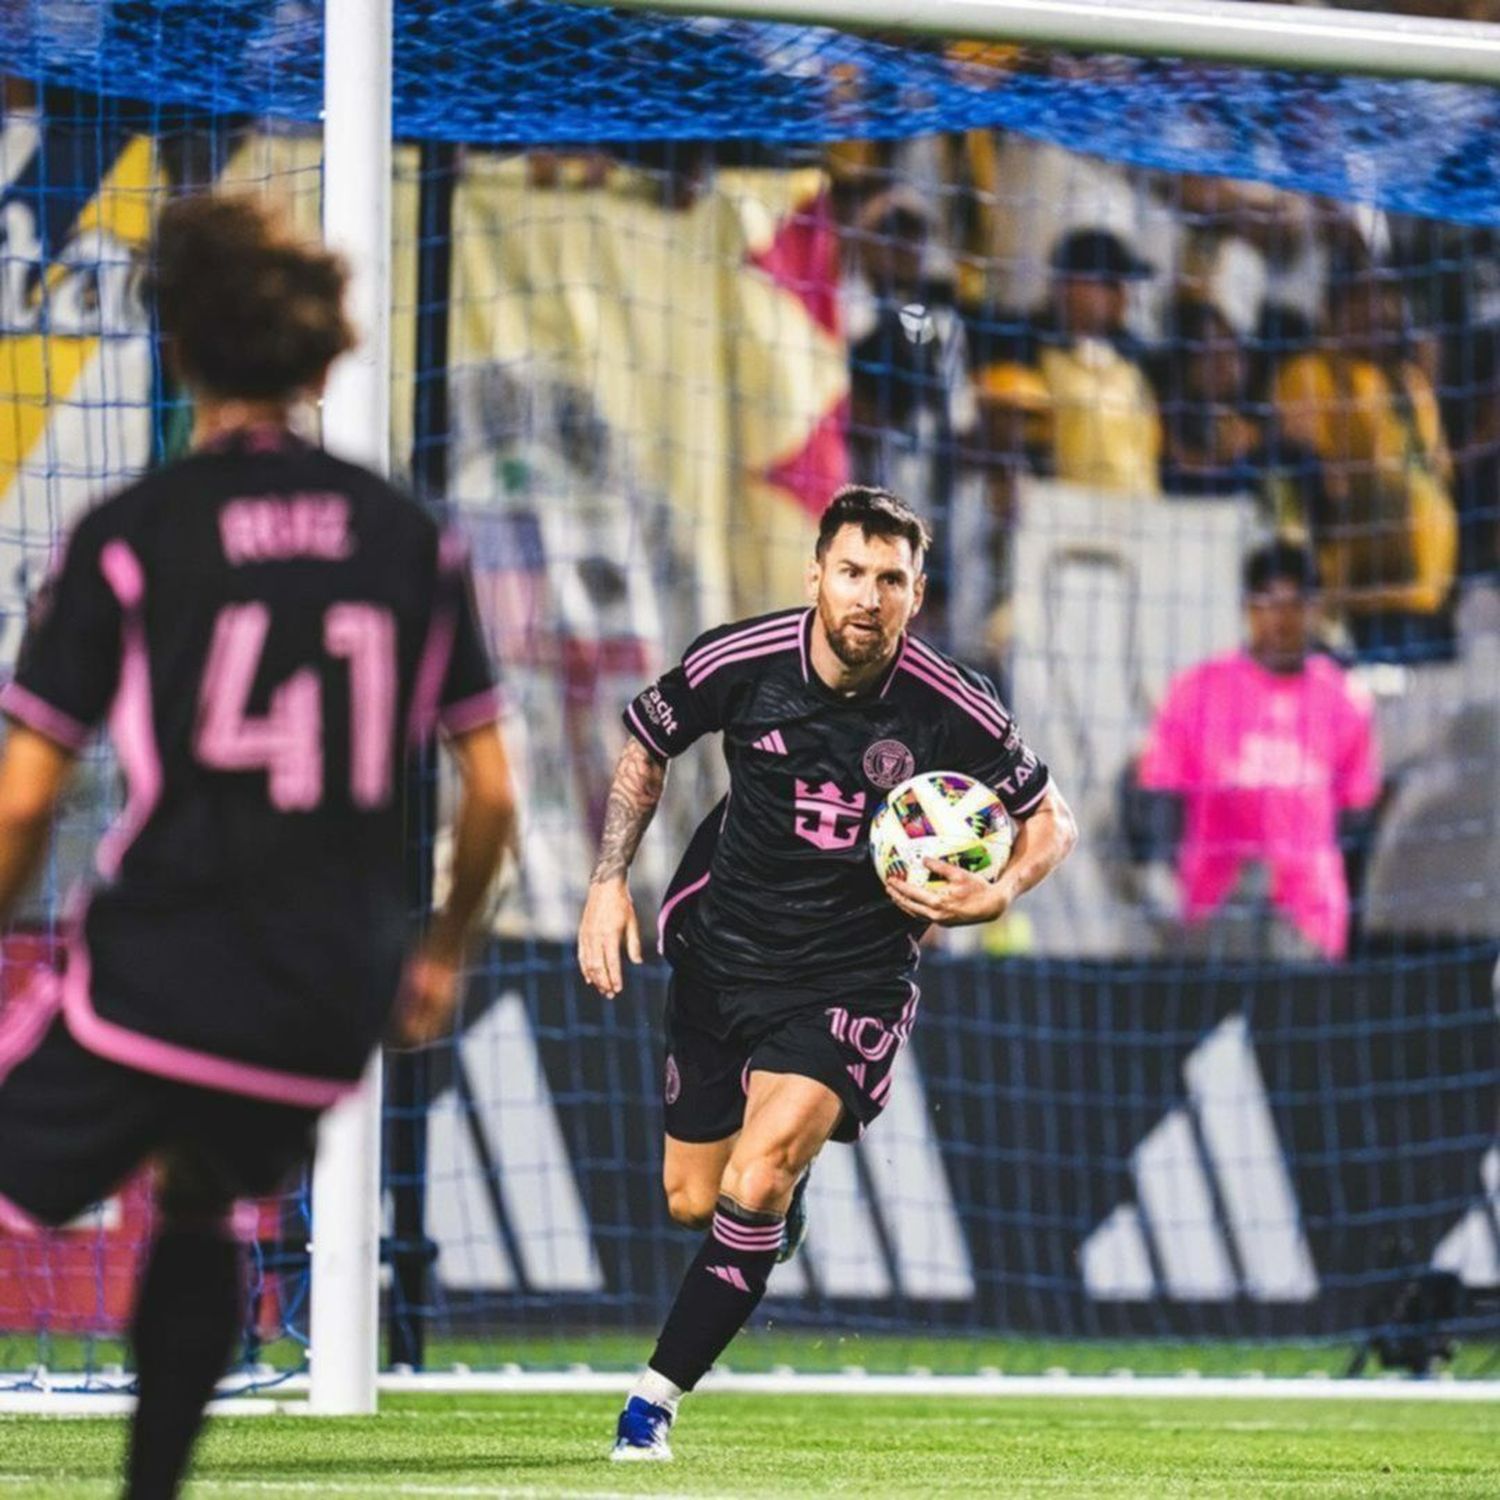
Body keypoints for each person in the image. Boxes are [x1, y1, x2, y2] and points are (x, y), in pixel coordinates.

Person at [0, 194, 516, 1498]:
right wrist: (441, 952)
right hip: (327, 996)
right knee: (199, 1193)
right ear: (320, 356)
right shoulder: (416, 540)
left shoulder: (134, 535)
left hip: (169, 960)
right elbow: (495, 793)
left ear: (179, 348)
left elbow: (23, 802)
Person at [577, 484, 1076, 1459]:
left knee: (756, 1177)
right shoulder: (744, 662)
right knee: (695, 1198)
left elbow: (1051, 816)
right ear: (817, 575)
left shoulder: (948, 702)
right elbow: (649, 738)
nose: (868, 596)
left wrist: (1003, 888)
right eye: (852, 572)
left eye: (891, 580)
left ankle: (652, 1404)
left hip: (852, 977)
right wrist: (607, 881)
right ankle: (777, 1209)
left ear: (915, 594)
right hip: (722, 958)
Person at [1130, 541, 1380, 961]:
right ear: (1248, 607)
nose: (1282, 619)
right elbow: (1160, 791)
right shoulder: (1199, 690)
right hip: (1212, 909)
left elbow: (1356, 814)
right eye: (1268, 603)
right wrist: (1159, 873)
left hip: (1308, 920)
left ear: (1315, 609)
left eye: (1295, 604)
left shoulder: (1345, 699)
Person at [1272, 273, 1459, 662]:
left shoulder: (1409, 380)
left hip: (1429, 595)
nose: (1382, 315)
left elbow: (1436, 473)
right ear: (1332, 314)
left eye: (1389, 306)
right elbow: (1319, 481)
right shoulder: (1309, 374)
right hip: (1362, 602)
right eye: (1367, 305)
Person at [976, 227, 1161, 497]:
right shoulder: (1024, 348)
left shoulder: (1135, 361)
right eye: (1108, 283)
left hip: (1139, 514)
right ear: (1067, 285)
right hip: (1059, 514)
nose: (1123, 295)